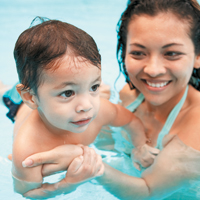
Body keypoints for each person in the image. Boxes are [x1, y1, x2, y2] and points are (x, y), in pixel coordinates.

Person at [19, 0, 200, 199]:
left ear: (198, 55)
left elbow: (148, 193)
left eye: (172, 53)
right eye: (138, 53)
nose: (153, 70)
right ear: (124, 53)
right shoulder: (130, 96)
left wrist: (89, 163)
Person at [3, 17, 152, 197]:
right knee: (5, 92)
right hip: (19, 106)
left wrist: (140, 146)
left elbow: (131, 121)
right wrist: (69, 183)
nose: (86, 106)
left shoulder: (100, 111)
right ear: (31, 97)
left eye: (94, 87)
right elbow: (28, 192)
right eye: (67, 93)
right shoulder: (28, 150)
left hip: (39, 88)